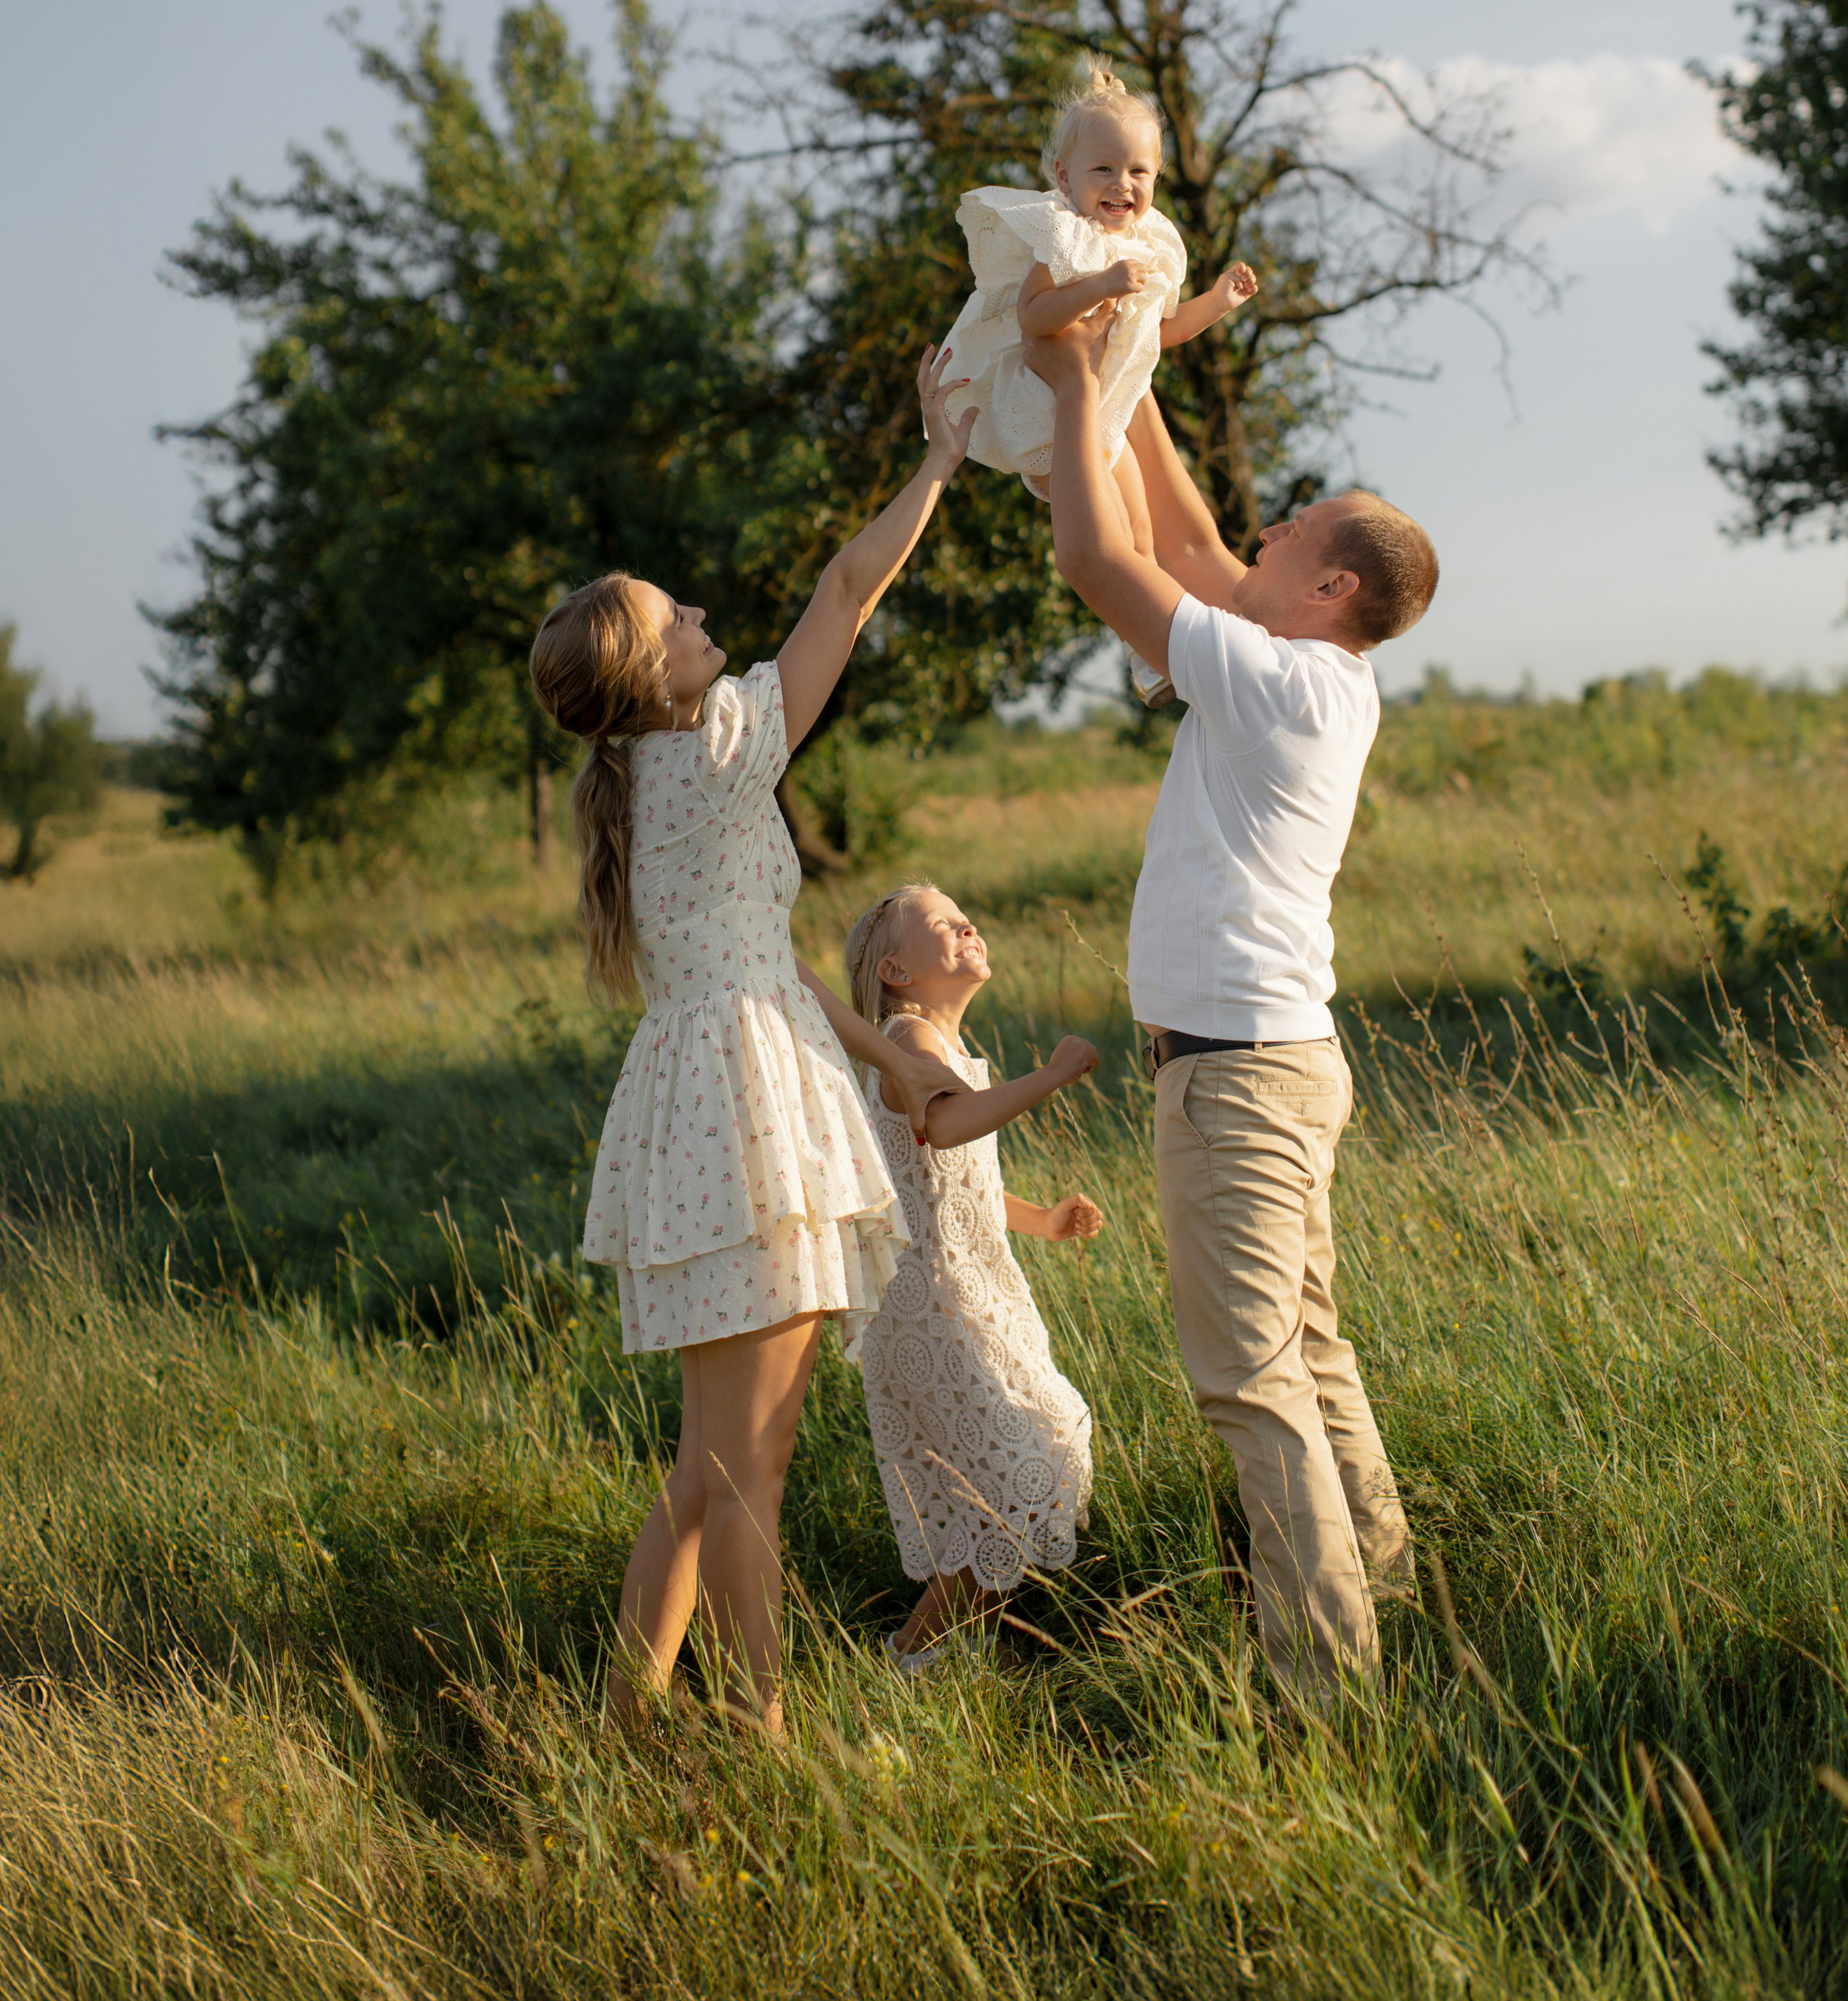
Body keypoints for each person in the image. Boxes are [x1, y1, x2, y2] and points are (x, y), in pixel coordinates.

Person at [527, 347, 976, 1741]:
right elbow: (848, 589)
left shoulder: (647, 780)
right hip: (741, 1116)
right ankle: (766, 1730)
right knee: (748, 1468)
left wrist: (882, 1051)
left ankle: (629, 1715)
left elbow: (757, 966)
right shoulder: (717, 744)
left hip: (716, 1094)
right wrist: (939, 459)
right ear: (653, 677)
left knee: (709, 1464)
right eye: (679, 617)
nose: (706, 614)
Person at [1022, 315, 1439, 1704]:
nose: (1259, 525)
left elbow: (1102, 559)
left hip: (1239, 1077)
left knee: (1252, 1387)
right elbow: (1192, 549)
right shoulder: (1312, 661)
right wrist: (1132, 368)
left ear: (1327, 583)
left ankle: (1325, 1692)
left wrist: (1074, 385)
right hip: (1277, 1063)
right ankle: (1381, 1595)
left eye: (1290, 525)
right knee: (1307, 1355)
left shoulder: (1274, 683)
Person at [840, 883, 1103, 1673]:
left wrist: (1044, 1220)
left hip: (971, 1291)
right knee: (1025, 1468)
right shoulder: (907, 1039)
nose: (965, 923)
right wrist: (1049, 1076)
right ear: (895, 969)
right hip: (934, 1305)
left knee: (1011, 1477)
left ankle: (943, 1655)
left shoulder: (944, 1049)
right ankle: (911, 1658)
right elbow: (948, 1123)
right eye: (938, 923)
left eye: (966, 915)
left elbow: (957, 1187)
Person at [937, 64, 1257, 706]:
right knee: (1107, 539)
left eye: (1138, 171)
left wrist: (1217, 302)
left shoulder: (1150, 249)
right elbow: (1036, 317)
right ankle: (1148, 647)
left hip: (1103, 421)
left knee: (1140, 538)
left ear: (1156, 179)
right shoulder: (1065, 237)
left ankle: (1150, 654)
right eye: (1103, 169)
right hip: (1049, 420)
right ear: (1064, 176)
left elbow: (1156, 335)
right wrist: (1103, 284)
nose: (1122, 184)